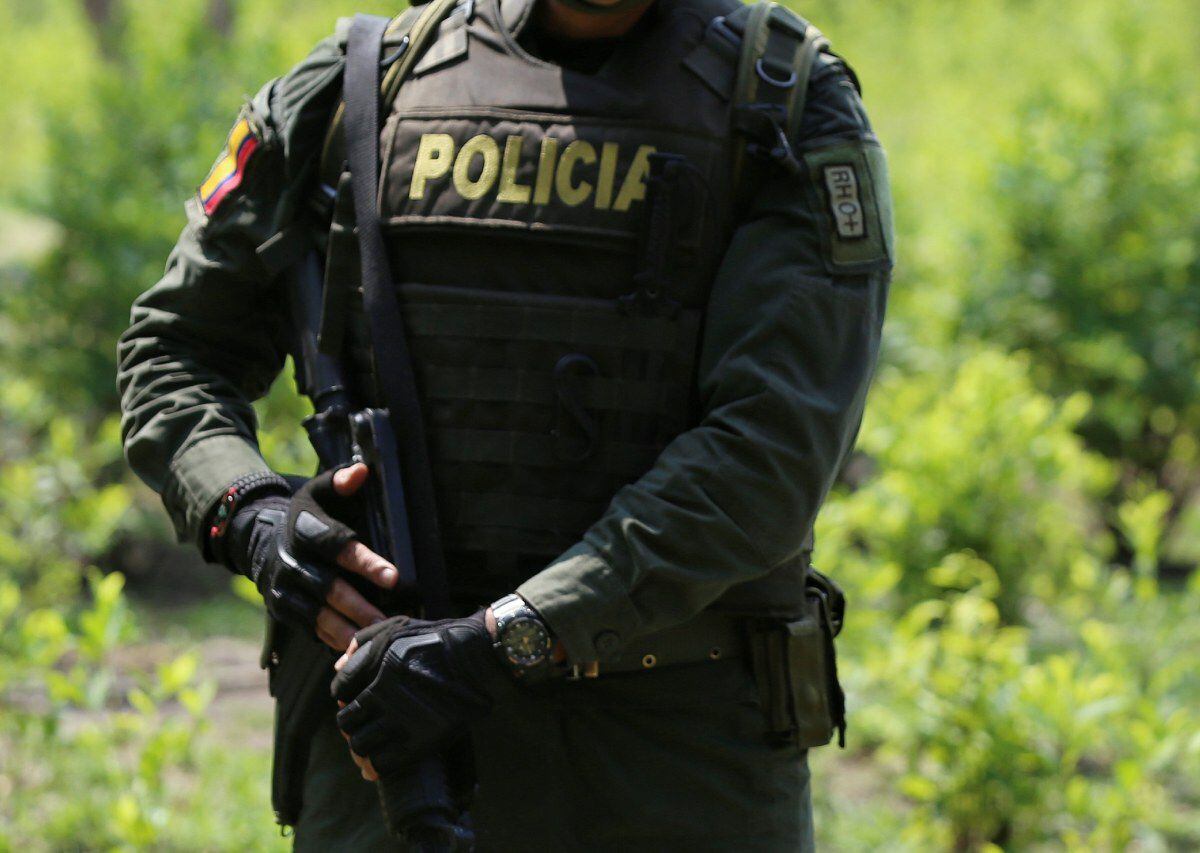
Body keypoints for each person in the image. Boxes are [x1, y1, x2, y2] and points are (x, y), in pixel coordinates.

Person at [118, 0, 892, 846]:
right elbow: (175, 349)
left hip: (669, 770)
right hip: (387, 754)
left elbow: (770, 454)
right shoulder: (363, 80)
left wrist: (499, 641)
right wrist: (253, 514)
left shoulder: (779, 101)